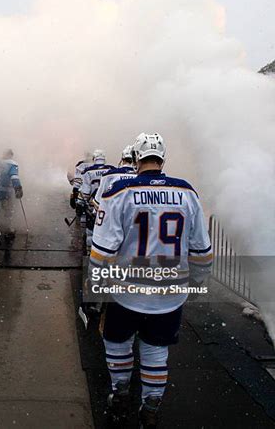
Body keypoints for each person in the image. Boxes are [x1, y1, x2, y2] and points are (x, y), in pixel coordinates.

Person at [90, 133, 212, 427]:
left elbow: (102, 251)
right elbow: (202, 251)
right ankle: (151, 405)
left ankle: (119, 393)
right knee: (156, 350)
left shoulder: (120, 191)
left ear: (136, 157)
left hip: (127, 290)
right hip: (170, 291)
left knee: (117, 343)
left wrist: (98, 285)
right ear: (163, 157)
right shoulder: (187, 192)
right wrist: (196, 282)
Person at [77, 149, 114, 250]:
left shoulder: (88, 171)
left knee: (90, 231)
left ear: (94, 158)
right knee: (105, 231)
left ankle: (90, 253)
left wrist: (79, 203)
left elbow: (85, 192)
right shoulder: (111, 170)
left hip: (92, 206)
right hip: (107, 206)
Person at [92, 144, 136, 211]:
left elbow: (97, 202)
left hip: (113, 216)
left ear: (122, 159)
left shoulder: (109, 175)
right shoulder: (142, 176)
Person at [0, 148, 23, 239]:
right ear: (11, 155)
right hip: (6, 191)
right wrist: (18, 188)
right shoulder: (12, 164)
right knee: (8, 209)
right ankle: (9, 228)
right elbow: (14, 177)